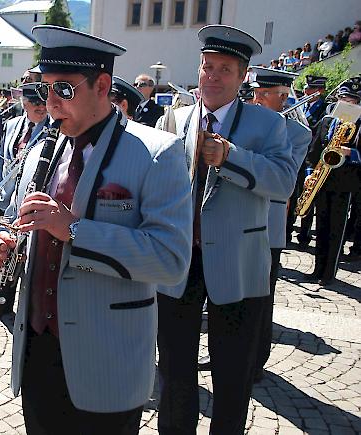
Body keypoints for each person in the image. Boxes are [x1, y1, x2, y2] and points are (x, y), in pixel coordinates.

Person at [0, 25, 192, 434]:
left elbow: (172, 261)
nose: (50, 104)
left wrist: (75, 230)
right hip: (38, 351)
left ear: (102, 85)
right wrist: (9, 244)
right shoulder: (39, 153)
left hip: (107, 358)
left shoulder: (158, 153)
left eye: (63, 90)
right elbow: (24, 225)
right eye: (44, 90)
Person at [156, 25, 294, 435]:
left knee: (232, 372)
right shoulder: (175, 117)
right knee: (175, 367)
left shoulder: (267, 125)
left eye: (224, 70)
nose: (212, 76)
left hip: (237, 261)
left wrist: (232, 158)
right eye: (207, 67)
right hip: (180, 259)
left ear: (242, 77)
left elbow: (284, 182)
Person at [250, 67, 312, 381]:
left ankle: (256, 361)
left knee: (262, 295)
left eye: (265, 94)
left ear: (284, 97)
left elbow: (282, 178)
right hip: (237, 222)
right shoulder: (245, 121)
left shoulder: (297, 133)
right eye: (255, 93)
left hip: (269, 224)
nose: (256, 99)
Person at [303, 81, 361, 286]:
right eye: (342, 99)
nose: (346, 103)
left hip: (345, 183)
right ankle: (317, 268)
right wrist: (310, 174)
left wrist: (351, 153)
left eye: (351, 100)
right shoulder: (327, 121)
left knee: (336, 228)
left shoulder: (359, 125)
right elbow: (313, 150)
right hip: (322, 179)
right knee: (322, 226)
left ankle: (329, 272)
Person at [0, 83, 49, 213]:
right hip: (3, 199)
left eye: (45, 102)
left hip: (30, 203)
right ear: (24, 104)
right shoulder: (11, 125)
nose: (42, 107)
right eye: (36, 103)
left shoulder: (53, 130)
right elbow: (2, 160)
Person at [296, 75, 328, 246]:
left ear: (320, 91)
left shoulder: (325, 109)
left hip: (312, 157)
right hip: (298, 157)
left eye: (311, 89)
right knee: (297, 194)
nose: (306, 92)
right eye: (306, 88)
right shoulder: (301, 107)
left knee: (308, 195)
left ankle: (305, 234)